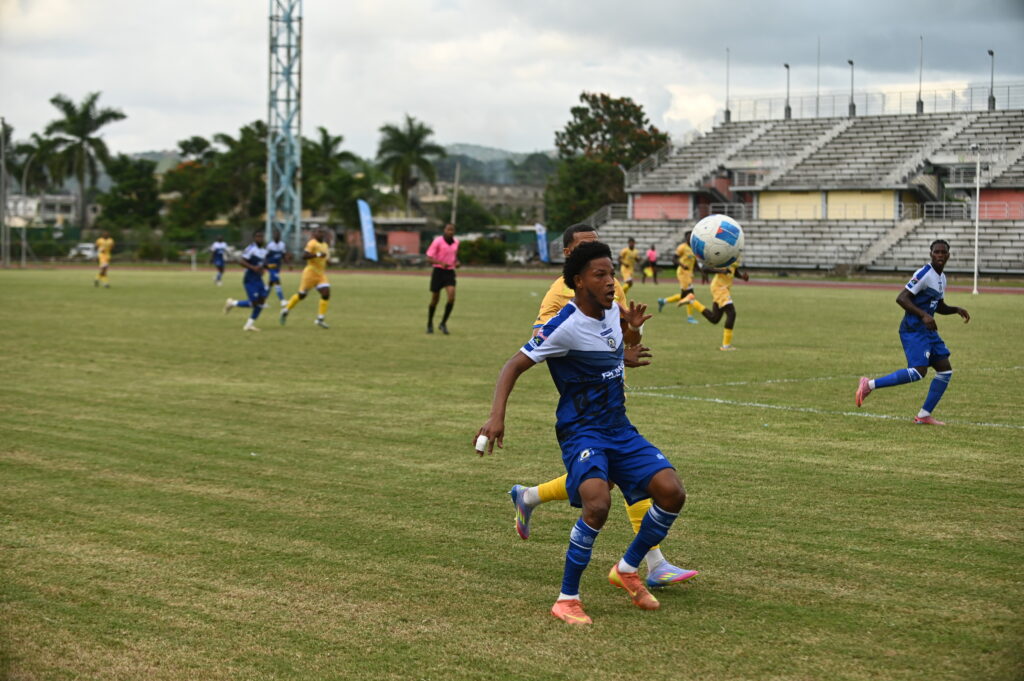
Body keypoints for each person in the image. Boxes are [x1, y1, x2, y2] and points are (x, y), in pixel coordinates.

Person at [476, 241, 692, 625]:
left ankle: (627, 568)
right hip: (582, 431)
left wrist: (631, 337)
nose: (611, 281)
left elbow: (615, 345)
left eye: (612, 273)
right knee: (597, 503)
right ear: (578, 281)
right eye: (600, 275)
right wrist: (496, 417)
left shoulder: (613, 312)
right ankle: (567, 599)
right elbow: (512, 365)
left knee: (672, 492)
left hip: (619, 427)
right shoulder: (564, 325)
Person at [855, 239, 970, 425]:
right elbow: (902, 298)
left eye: (943, 252)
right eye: (937, 252)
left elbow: (938, 306)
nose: (940, 255)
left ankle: (924, 415)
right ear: (931, 254)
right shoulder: (924, 274)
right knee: (918, 372)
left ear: (948, 255)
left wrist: (955, 309)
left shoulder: (942, 278)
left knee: (945, 370)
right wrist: (924, 315)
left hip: (928, 330)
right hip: (913, 329)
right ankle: (868, 385)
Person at [689, 259, 748, 351]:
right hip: (719, 288)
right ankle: (726, 346)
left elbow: (733, 271)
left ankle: (692, 301)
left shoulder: (735, 255)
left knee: (714, 319)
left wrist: (742, 277)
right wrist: (721, 271)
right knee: (731, 313)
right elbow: (705, 268)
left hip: (723, 288)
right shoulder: (722, 255)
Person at [280, 227, 331, 329]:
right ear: (314, 234)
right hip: (310, 273)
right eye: (319, 232)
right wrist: (317, 254)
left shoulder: (325, 245)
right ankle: (286, 310)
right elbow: (304, 256)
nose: (321, 234)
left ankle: (320, 319)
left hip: (320, 274)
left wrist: (328, 261)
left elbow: (325, 257)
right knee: (302, 295)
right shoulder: (312, 243)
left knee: (326, 293)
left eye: (322, 232)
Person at [223, 230, 268, 332]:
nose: (260, 239)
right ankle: (232, 303)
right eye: (258, 237)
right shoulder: (251, 248)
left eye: (261, 237)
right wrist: (253, 268)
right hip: (250, 279)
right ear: (254, 238)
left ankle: (249, 325)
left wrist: (262, 269)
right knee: (254, 303)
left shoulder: (263, 250)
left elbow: (261, 263)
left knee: (262, 301)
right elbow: (241, 261)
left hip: (258, 279)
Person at [425, 223, 460, 335]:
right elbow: (428, 258)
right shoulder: (437, 241)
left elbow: (455, 256)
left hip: (449, 272)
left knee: (451, 297)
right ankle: (429, 323)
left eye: (452, 230)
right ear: (444, 230)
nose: (450, 232)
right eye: (448, 230)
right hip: (438, 272)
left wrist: (457, 262)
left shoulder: (456, 242)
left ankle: (443, 323)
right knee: (435, 299)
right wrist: (440, 263)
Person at [658, 231, 699, 323]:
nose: (690, 238)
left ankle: (663, 301)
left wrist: (701, 271)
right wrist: (682, 265)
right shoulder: (682, 247)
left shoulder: (693, 248)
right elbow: (674, 259)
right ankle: (690, 317)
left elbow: (695, 261)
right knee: (690, 295)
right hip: (682, 273)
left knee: (685, 296)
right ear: (685, 238)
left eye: (691, 237)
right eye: (688, 237)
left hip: (689, 274)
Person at [264, 229, 289, 305]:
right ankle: (282, 300)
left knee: (270, 283)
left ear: (280, 236)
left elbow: (284, 255)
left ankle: (262, 300)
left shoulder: (282, 244)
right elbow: (265, 256)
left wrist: (288, 264)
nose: (276, 236)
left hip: (278, 267)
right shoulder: (270, 245)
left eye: (278, 235)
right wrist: (265, 265)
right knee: (277, 281)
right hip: (271, 266)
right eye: (275, 235)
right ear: (273, 236)